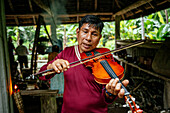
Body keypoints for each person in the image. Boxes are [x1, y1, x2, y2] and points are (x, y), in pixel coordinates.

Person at [39, 15, 129, 113]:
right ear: (78, 32)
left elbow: (107, 98)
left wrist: (110, 93)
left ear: (99, 37)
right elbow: (42, 74)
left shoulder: (105, 56)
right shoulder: (66, 53)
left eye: (94, 34)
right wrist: (51, 66)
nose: (88, 38)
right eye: (85, 32)